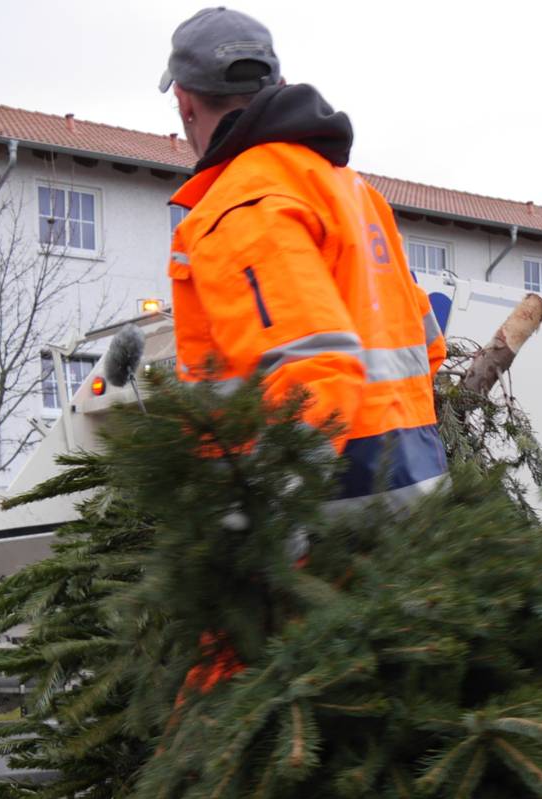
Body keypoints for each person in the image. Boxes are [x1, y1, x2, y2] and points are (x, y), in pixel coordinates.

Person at [161, 6, 448, 511]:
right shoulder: (354, 193)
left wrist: (267, 519)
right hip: (415, 488)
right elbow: (428, 348)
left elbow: (312, 368)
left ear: (185, 103)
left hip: (331, 512)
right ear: (278, 83)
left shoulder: (240, 204)